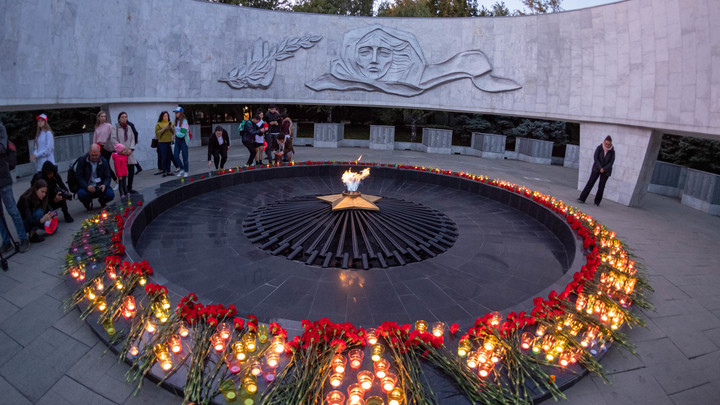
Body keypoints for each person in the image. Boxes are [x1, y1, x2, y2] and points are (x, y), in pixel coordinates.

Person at [0, 119, 30, 254]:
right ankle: (6, 242)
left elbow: (2, 148)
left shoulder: (1, 128)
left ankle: (23, 238)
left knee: (12, 209)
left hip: (3, 178)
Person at [578, 135, 615, 207]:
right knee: (590, 183)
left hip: (606, 171)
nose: (607, 145)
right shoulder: (599, 148)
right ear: (604, 142)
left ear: (611, 143)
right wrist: (600, 167)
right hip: (596, 168)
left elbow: (611, 162)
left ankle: (597, 201)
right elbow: (595, 158)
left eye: (609, 144)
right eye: (606, 144)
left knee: (601, 186)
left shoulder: (612, 151)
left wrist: (604, 169)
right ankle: (582, 198)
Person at [76, 144, 115, 210]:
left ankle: (102, 200)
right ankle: (88, 203)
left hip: (99, 185)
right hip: (87, 185)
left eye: (96, 155)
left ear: (99, 153)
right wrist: (87, 186)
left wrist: (104, 185)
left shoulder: (104, 161)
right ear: (89, 153)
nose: (94, 157)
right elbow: (79, 176)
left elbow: (108, 176)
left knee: (110, 194)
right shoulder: (82, 161)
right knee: (81, 193)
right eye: (92, 155)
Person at [17, 179, 54, 243]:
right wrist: (42, 220)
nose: (44, 194)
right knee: (39, 212)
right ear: (36, 189)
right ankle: (32, 234)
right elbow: (29, 219)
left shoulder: (42, 197)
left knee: (54, 228)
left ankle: (34, 231)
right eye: (42, 192)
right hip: (25, 223)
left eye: (45, 192)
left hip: (38, 220)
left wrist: (50, 214)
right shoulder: (25, 199)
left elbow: (48, 208)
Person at [110, 112, 137, 193]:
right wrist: (122, 150)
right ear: (119, 118)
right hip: (121, 153)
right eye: (122, 117)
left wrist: (131, 149)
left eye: (125, 117)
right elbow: (113, 139)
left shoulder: (129, 127)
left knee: (131, 171)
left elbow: (133, 138)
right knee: (123, 172)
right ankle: (123, 189)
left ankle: (130, 187)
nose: (124, 118)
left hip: (129, 152)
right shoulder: (115, 127)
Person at [92, 110, 117, 182]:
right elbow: (95, 138)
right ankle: (103, 180)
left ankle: (115, 180)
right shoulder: (97, 127)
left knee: (106, 163)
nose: (103, 118)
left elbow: (112, 136)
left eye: (104, 116)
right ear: (98, 117)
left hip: (107, 146)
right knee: (100, 164)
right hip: (99, 147)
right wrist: (94, 148)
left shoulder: (108, 125)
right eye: (102, 116)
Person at [155, 111, 174, 177]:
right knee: (164, 156)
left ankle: (169, 170)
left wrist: (171, 127)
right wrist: (165, 128)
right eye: (164, 116)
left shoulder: (171, 123)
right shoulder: (159, 124)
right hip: (162, 142)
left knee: (169, 156)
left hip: (169, 141)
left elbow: (174, 132)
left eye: (167, 116)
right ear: (162, 117)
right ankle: (164, 171)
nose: (166, 117)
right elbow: (157, 134)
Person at [173, 106, 190, 177]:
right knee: (175, 156)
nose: (176, 114)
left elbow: (183, 133)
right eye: (175, 113)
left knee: (185, 157)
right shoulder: (176, 121)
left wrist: (175, 134)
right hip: (177, 140)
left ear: (180, 113)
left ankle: (186, 171)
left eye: (177, 112)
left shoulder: (184, 121)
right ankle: (182, 169)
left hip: (183, 140)